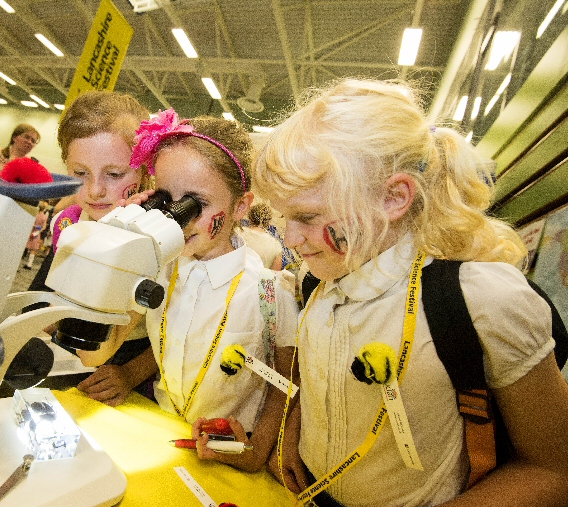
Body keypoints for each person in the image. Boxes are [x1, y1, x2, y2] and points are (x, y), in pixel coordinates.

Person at [252, 79, 568, 506]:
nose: (290, 238)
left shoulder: (482, 300)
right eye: (284, 216)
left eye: (307, 216)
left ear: (394, 198)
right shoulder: (317, 283)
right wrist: (295, 431)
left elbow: (551, 470)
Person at [77, 109, 300, 472]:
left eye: (196, 203)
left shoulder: (270, 292)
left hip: (225, 456)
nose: (176, 218)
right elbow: (93, 354)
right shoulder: (158, 270)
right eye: (165, 199)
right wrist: (119, 247)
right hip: (161, 433)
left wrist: (258, 448)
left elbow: (288, 378)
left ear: (241, 205)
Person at [24, 90, 154, 398]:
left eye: (114, 174)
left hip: (129, 363)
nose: (95, 190)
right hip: (66, 349)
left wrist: (131, 373)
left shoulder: (157, 238)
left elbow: (176, 333)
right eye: (80, 173)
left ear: (146, 170)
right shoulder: (67, 222)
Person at [240, 202, 283, 270]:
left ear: (250, 218)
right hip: (258, 280)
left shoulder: (238, 233)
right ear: (268, 222)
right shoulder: (276, 245)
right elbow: (274, 275)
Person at [23, 202, 49, 270]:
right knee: (33, 249)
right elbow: (44, 227)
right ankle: (29, 265)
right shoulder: (45, 217)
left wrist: (34, 226)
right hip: (37, 233)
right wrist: (38, 231)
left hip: (30, 231)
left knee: (23, 246)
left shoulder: (34, 214)